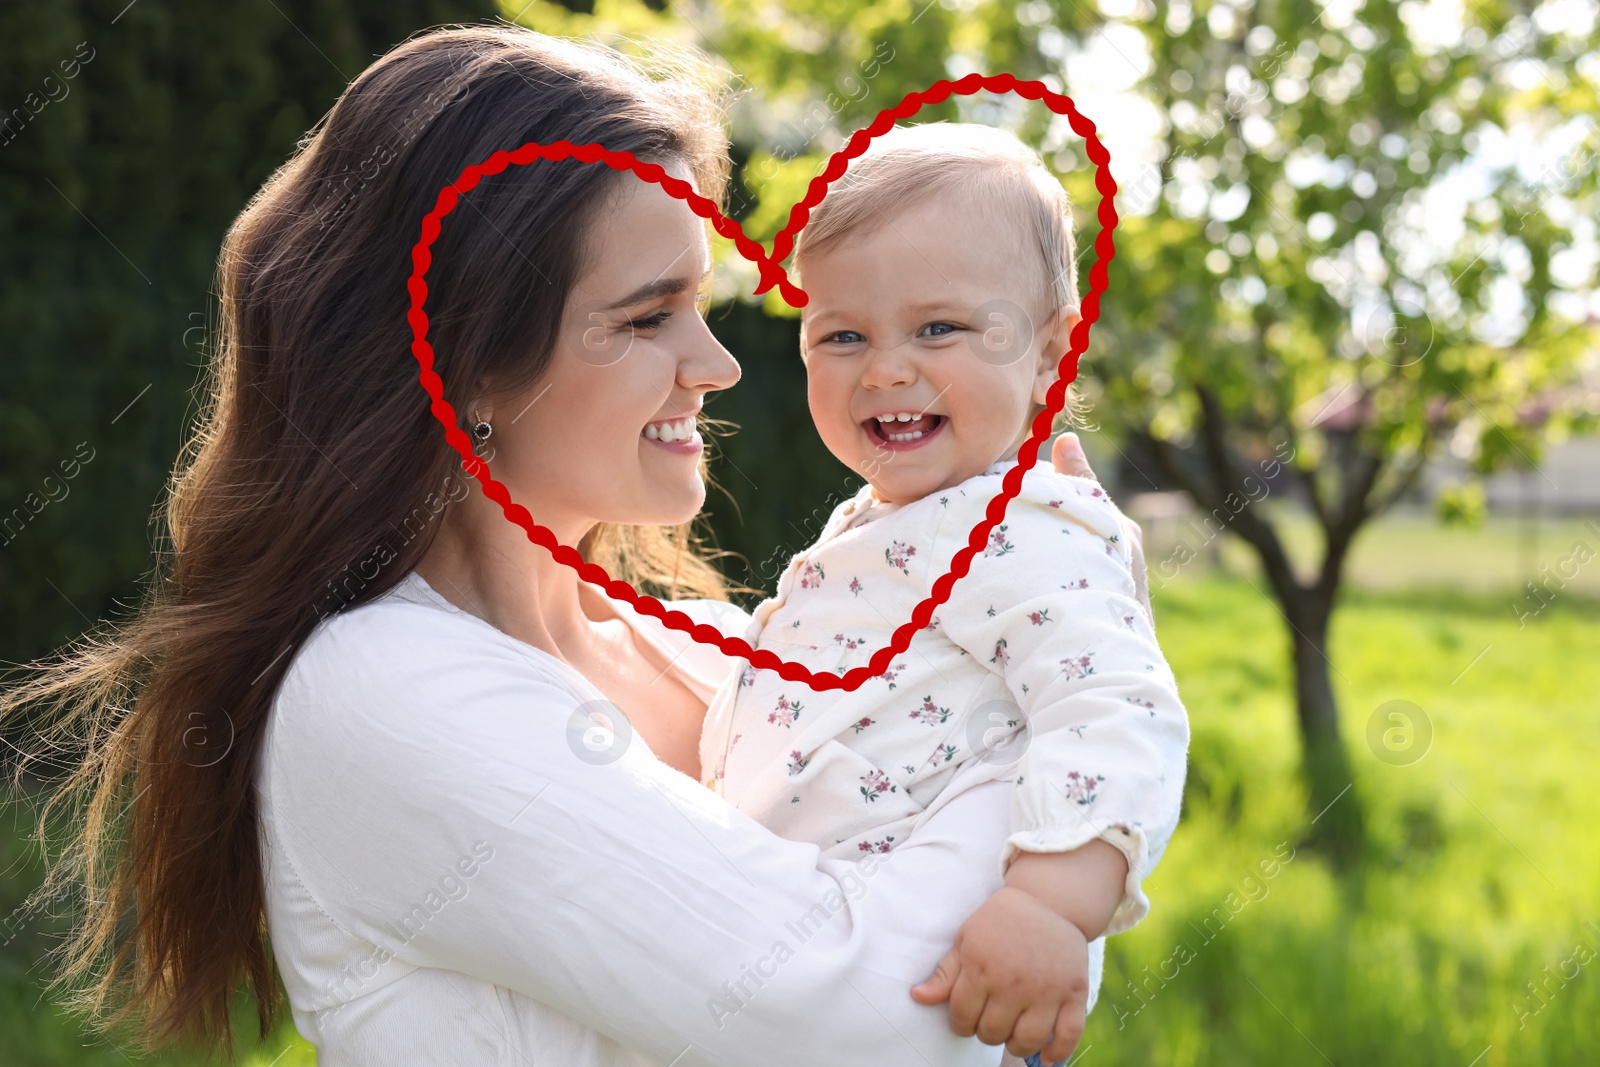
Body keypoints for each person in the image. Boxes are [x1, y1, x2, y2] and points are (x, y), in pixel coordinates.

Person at [0, 25, 1150, 1067]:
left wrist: (1060, 632)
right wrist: (1069, 705)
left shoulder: (712, 645)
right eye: (647, 317)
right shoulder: (385, 694)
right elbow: (893, 1023)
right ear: (472, 366)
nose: (719, 364)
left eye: (700, 305)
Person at [698, 122, 1190, 1067]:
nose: (886, 368)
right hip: (809, 959)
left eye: (939, 328)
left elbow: (1117, 708)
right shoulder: (893, 516)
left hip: (942, 988)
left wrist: (1050, 905)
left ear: (1049, 353)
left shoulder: (1026, 525)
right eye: (842, 335)